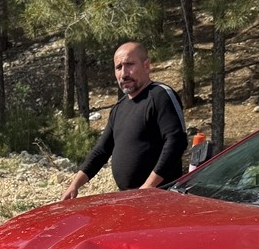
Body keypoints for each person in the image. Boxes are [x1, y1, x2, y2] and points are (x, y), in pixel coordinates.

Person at [61, 42, 188, 200]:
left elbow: (176, 142)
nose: (124, 73)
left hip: (161, 197)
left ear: (146, 66)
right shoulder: (119, 108)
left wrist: (148, 188)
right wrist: (74, 185)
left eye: (129, 65)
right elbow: (101, 151)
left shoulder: (160, 96)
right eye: (118, 67)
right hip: (129, 198)